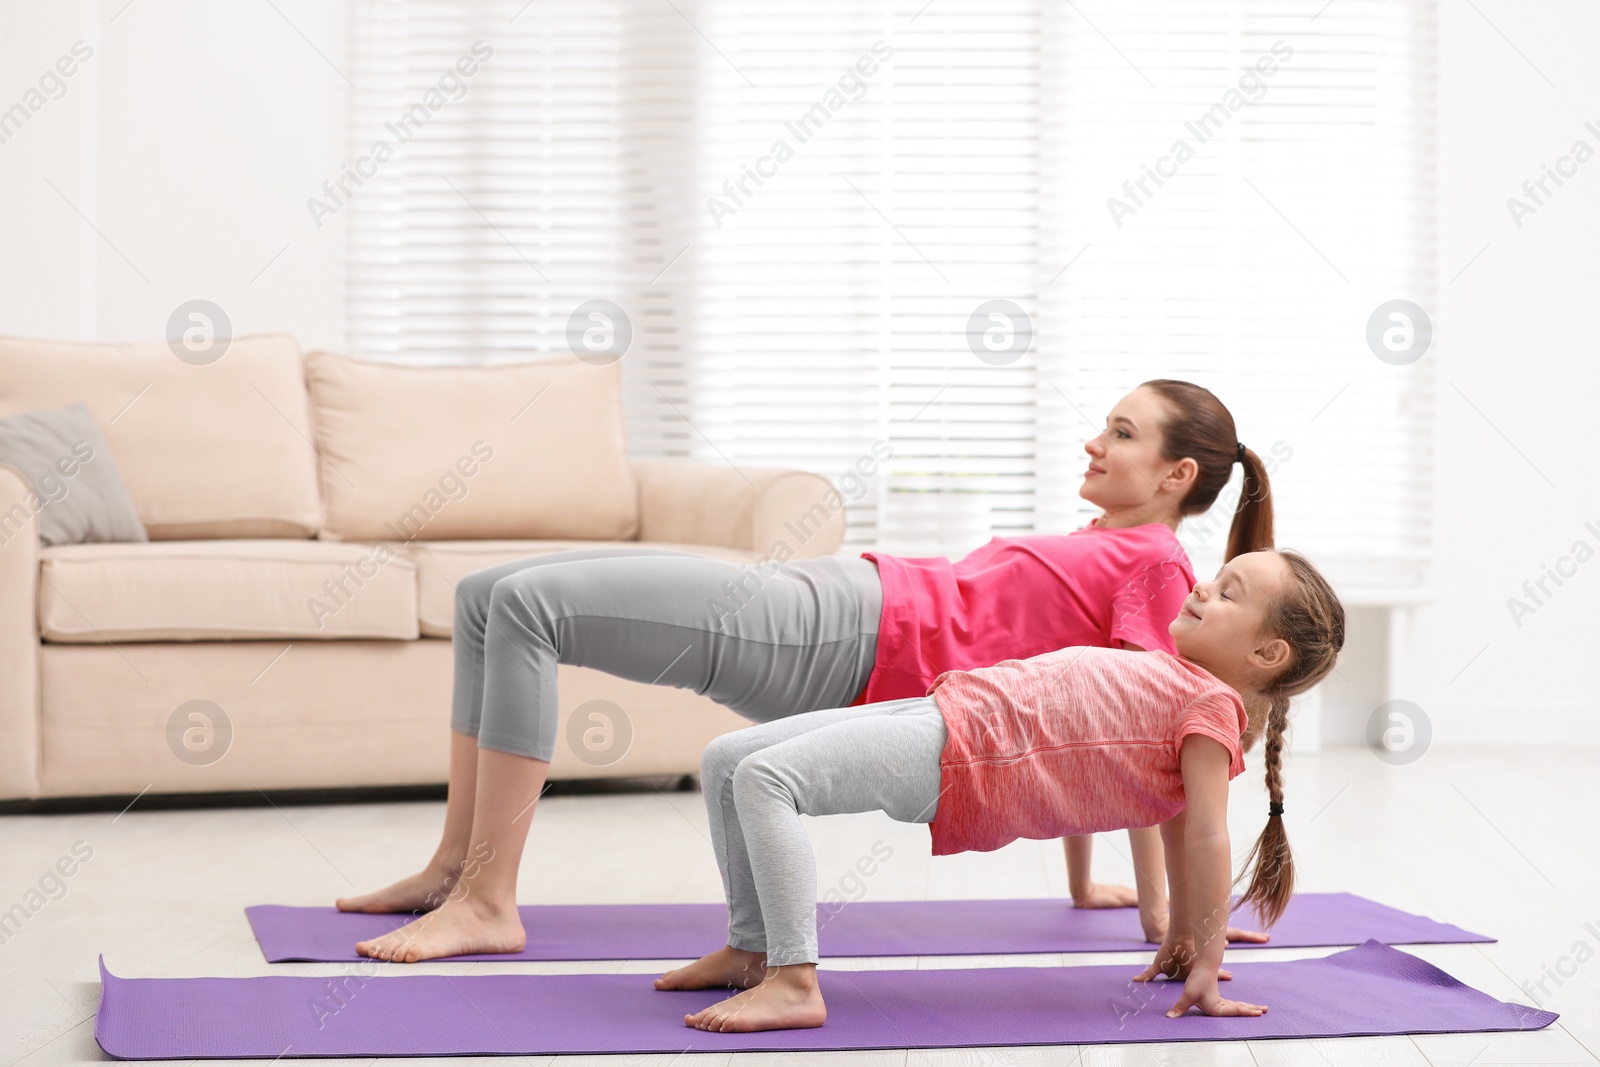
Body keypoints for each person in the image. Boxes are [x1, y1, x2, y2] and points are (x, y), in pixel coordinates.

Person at [340, 380, 1274, 962]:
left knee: (531, 608)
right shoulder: (1107, 543)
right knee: (486, 596)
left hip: (845, 637)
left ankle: (488, 902)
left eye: (1120, 431)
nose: (1093, 442)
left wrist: (1164, 908)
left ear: (1175, 475)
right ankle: (452, 868)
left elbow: (1142, 728)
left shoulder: (1156, 564)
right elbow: (1089, 687)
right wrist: (1082, 888)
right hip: (840, 605)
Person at [659, 548, 1345, 1032]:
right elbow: (1173, 818)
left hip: (969, 757)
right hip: (950, 709)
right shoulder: (1179, 678)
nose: (1201, 588)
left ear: (1267, 655)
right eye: (1215, 578)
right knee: (729, 756)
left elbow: (1200, 831)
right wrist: (1179, 938)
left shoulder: (1213, 708)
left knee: (765, 778)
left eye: (1229, 593)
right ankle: (751, 947)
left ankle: (794, 980)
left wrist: (1209, 949)